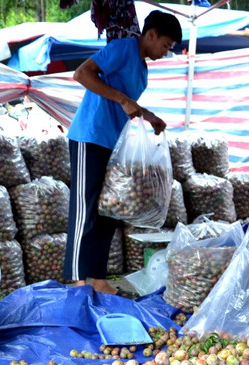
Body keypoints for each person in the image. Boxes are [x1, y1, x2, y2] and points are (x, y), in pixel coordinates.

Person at [64, 10, 182, 295]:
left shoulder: (142, 69)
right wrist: (123, 99)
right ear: (151, 35)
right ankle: (80, 282)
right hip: (90, 137)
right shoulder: (121, 48)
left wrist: (149, 116)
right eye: (165, 45)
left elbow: (127, 104)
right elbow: (82, 74)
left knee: (108, 210)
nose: (165, 53)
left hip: (115, 147)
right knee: (86, 209)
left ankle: (100, 280)